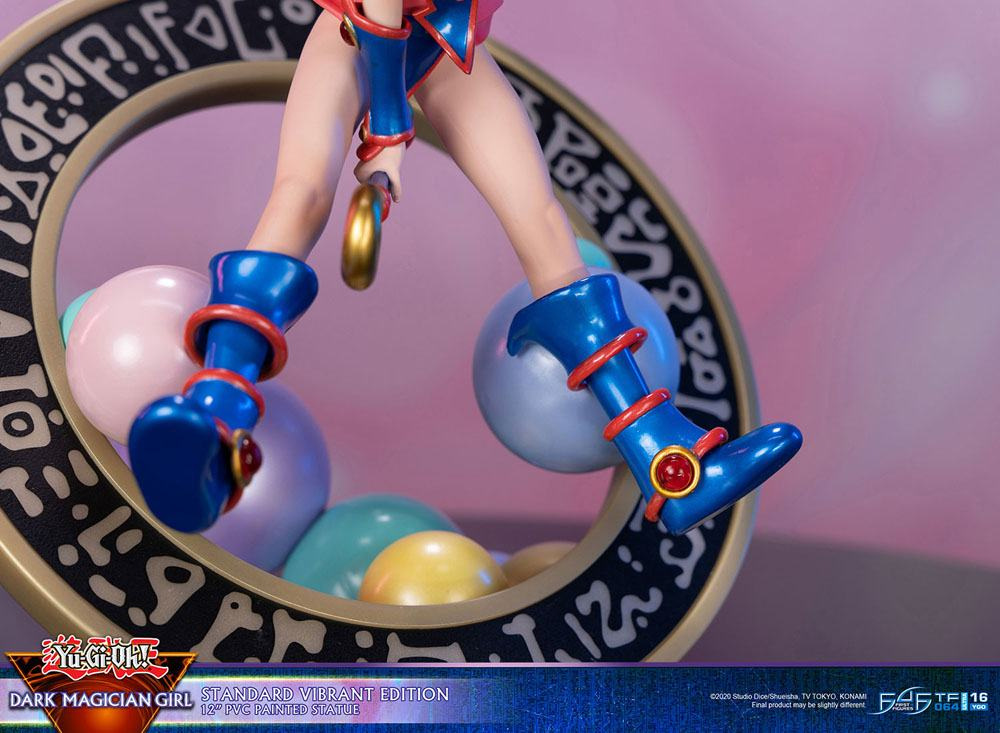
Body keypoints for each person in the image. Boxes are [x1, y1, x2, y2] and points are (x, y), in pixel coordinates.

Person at [128, 0, 802, 534]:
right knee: (301, 192)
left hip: (448, 43)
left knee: (542, 220)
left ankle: (666, 461)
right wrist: (387, 131)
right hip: (357, 36)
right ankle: (213, 419)